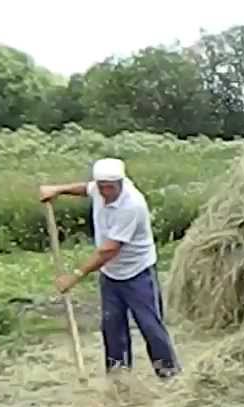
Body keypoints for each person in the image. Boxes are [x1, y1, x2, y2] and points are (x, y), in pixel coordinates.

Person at [38, 158, 180, 379]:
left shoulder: (131, 205)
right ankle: (118, 377)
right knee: (112, 326)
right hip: (111, 274)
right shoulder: (100, 188)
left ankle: (169, 373)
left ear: (121, 183)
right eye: (101, 186)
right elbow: (86, 188)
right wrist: (58, 189)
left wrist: (75, 276)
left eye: (109, 187)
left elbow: (109, 250)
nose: (104, 191)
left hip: (137, 273)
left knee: (150, 325)